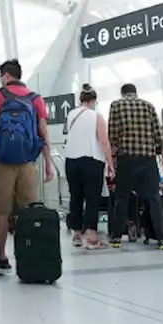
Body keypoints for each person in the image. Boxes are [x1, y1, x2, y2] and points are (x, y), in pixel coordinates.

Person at [0, 58, 53, 276]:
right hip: (27, 162)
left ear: (6, 76)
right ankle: (28, 256)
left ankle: (2, 258)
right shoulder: (36, 99)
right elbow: (43, 133)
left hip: (3, 163)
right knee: (28, 213)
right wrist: (49, 163)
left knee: (2, 214)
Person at [106, 83, 163, 249]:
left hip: (126, 158)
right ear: (135, 92)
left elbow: (113, 134)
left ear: (122, 93)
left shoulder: (116, 105)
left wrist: (111, 161)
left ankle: (116, 238)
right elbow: (159, 136)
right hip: (148, 159)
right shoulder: (148, 106)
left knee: (122, 198)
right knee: (154, 198)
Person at [64, 85, 113, 250]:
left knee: (75, 196)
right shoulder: (96, 116)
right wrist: (111, 164)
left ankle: (76, 234)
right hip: (91, 160)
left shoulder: (71, 114)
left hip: (71, 160)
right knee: (92, 198)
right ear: (93, 101)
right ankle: (92, 237)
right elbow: (104, 142)